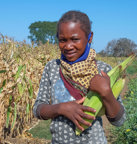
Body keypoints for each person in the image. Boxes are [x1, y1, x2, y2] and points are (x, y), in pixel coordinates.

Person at [33, 10, 126, 144]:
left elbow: (119, 120)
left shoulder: (103, 71)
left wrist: (106, 92)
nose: (68, 46)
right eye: (62, 40)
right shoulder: (52, 68)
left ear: (90, 37)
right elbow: (38, 109)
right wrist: (61, 108)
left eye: (75, 39)